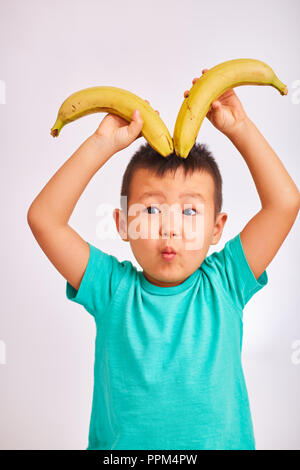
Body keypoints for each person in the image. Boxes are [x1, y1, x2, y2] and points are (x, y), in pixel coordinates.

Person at [27, 69, 300, 450]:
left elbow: (284, 204)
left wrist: (241, 128)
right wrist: (102, 143)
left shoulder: (226, 281)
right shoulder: (111, 289)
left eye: (190, 212)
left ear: (217, 228)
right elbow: (44, 219)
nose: (170, 229)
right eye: (152, 210)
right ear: (122, 223)